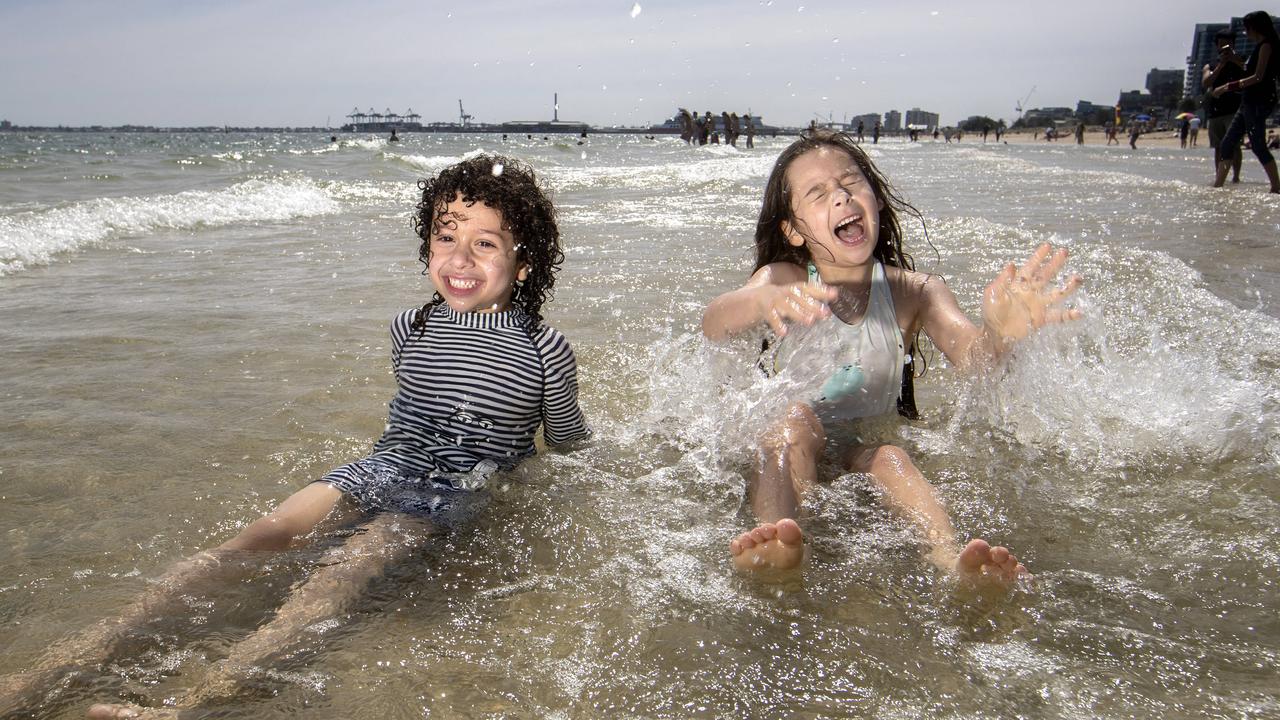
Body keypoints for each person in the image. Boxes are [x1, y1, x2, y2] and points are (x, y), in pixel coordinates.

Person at [0, 154, 591, 718]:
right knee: (260, 537)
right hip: (383, 466)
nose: (459, 259)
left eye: (484, 244)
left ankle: (201, 702)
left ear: (524, 261)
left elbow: (566, 439)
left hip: (452, 492)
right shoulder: (410, 324)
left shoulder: (544, 348)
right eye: (445, 238)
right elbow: (409, 418)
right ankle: (61, 670)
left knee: (344, 570)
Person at [702, 129, 1081, 585]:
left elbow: (975, 357)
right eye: (818, 194)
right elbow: (714, 321)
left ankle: (947, 557)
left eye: (850, 183)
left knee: (891, 457)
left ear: (876, 201)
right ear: (794, 231)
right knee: (793, 422)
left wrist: (1001, 333)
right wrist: (761, 303)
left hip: (855, 450)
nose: (841, 198)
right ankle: (776, 540)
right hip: (791, 448)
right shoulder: (783, 277)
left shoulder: (915, 293)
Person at [1211, 11, 1280, 193]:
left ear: (1255, 28)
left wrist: (1227, 86)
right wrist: (1234, 59)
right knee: (1227, 143)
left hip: (1259, 101)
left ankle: (1276, 187)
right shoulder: (1259, 46)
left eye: (1246, 28)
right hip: (1248, 101)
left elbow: (1258, 77)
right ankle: (1218, 187)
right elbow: (1249, 69)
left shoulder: (1267, 46)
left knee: (1258, 145)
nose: (1245, 33)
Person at [1204, 29, 1247, 184]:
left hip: (1235, 109)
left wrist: (1234, 60)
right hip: (1215, 111)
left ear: (1234, 44)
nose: (1225, 48)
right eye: (1221, 45)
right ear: (1217, 46)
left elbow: (1251, 71)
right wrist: (1221, 65)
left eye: (1228, 45)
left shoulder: (1242, 60)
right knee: (1218, 146)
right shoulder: (1211, 65)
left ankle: (1236, 176)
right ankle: (1219, 176)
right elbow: (1206, 82)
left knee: (1234, 145)